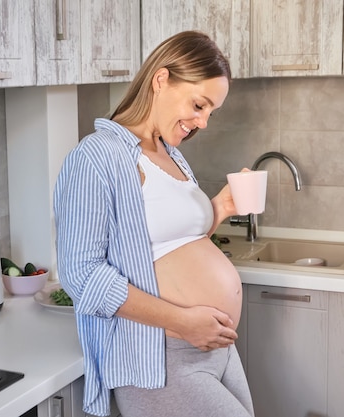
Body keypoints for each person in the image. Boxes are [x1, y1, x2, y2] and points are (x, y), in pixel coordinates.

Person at [53, 31, 255, 417]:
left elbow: (169, 242)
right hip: (160, 355)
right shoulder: (97, 158)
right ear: (161, 80)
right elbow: (81, 275)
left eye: (211, 111)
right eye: (199, 104)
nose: (204, 122)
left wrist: (221, 206)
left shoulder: (169, 153)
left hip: (215, 346)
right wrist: (183, 321)